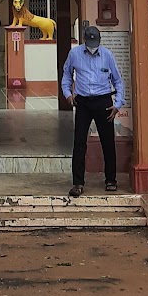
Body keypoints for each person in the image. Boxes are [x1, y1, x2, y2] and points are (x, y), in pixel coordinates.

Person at [60, 22, 125, 196]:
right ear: (83, 40)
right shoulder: (74, 54)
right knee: (79, 142)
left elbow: (118, 81)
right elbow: (66, 75)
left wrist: (117, 104)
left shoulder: (107, 55)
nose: (92, 49)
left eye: (94, 45)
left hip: (103, 101)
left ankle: (111, 180)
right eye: (89, 45)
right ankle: (78, 183)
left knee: (108, 142)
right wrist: (68, 94)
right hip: (82, 102)